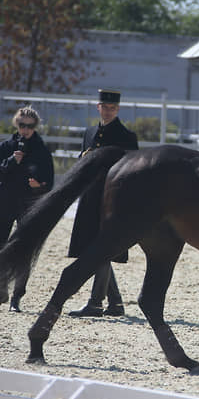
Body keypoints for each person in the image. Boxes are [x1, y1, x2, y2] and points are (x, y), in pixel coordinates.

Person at [67, 88, 138, 318]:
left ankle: (96, 303)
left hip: (111, 200)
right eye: (104, 107)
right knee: (96, 249)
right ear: (98, 107)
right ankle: (115, 303)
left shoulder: (127, 137)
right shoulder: (89, 133)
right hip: (90, 197)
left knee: (101, 249)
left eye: (112, 108)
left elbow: (132, 172)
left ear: (118, 109)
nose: (108, 111)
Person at [0, 105, 54, 312]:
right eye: (22, 125)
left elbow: (49, 183)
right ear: (16, 124)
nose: (25, 129)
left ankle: (17, 297)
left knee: (24, 251)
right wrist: (10, 162)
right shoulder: (6, 146)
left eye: (30, 126)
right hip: (4, 203)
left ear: (35, 126)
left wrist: (39, 187)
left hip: (28, 206)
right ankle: (0, 293)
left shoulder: (42, 151)